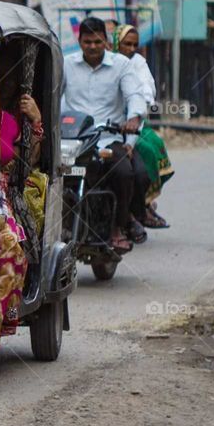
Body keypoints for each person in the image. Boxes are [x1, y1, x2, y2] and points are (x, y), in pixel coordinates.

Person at [0, 43, 44, 350]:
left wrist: (36, 122)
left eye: (6, 79)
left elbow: (26, 166)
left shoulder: (10, 122)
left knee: (11, 248)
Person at [62, 17, 148, 251]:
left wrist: (133, 119)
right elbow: (52, 94)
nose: (92, 46)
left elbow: (134, 96)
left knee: (123, 172)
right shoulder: (66, 64)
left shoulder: (121, 65)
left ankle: (118, 227)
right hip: (73, 140)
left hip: (108, 138)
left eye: (97, 41)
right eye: (87, 41)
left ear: (106, 42)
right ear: (79, 42)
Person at [112, 23, 173, 228]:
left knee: (150, 148)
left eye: (134, 45)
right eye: (125, 44)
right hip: (106, 123)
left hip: (132, 122)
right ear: (115, 43)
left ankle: (142, 205)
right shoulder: (109, 63)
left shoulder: (138, 63)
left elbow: (146, 91)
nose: (130, 49)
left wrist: (136, 111)